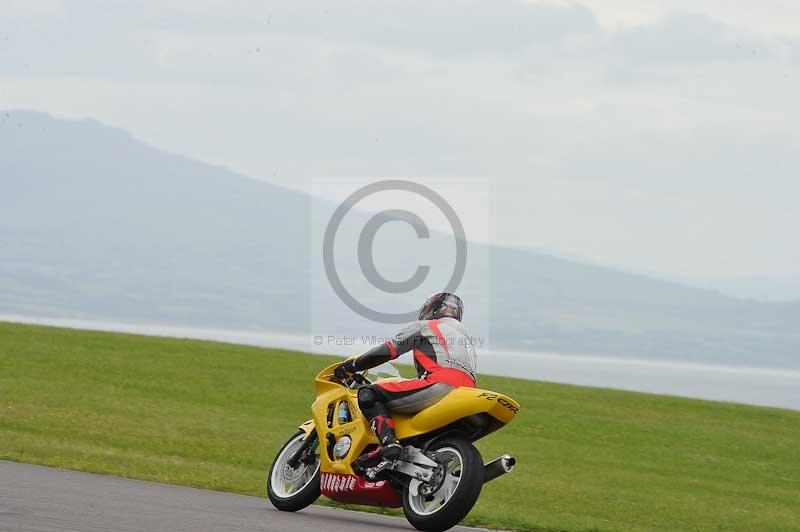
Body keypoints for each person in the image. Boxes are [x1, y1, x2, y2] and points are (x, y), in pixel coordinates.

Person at [334, 292, 477, 467]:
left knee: (368, 394)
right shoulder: (465, 339)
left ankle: (389, 444)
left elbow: (388, 350)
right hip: (468, 393)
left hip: (440, 386)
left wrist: (353, 365)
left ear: (431, 309)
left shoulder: (426, 326)